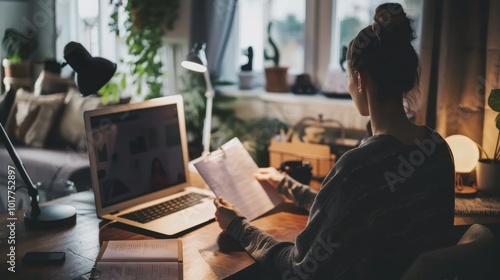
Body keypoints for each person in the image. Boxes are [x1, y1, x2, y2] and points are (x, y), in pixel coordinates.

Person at [213, 3, 455, 279]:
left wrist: (237, 226)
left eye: (349, 77)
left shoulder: (358, 167)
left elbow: (298, 268)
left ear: (360, 80)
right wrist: (287, 185)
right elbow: (353, 207)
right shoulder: (437, 148)